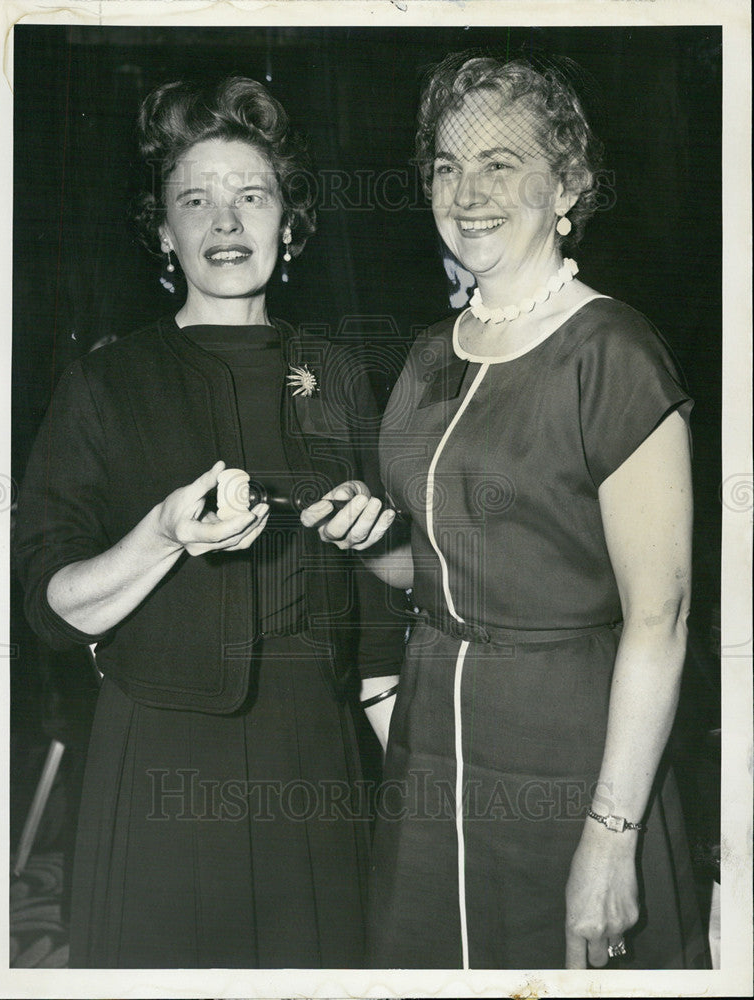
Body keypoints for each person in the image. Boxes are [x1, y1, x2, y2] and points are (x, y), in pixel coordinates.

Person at [301, 54, 708, 969]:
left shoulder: (613, 351)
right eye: (446, 166)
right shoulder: (427, 353)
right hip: (430, 747)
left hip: (568, 746)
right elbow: (433, 567)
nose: (466, 190)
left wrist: (610, 838)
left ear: (565, 181)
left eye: (499, 162)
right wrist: (368, 540)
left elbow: (660, 615)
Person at [14, 75, 404, 968]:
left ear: (290, 225)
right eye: (196, 200)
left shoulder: (340, 377)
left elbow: (386, 626)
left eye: (251, 197)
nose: (225, 224)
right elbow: (48, 607)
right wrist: (160, 535)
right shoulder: (106, 384)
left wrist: (381, 539)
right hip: (157, 761)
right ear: (163, 232)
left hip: (317, 760)